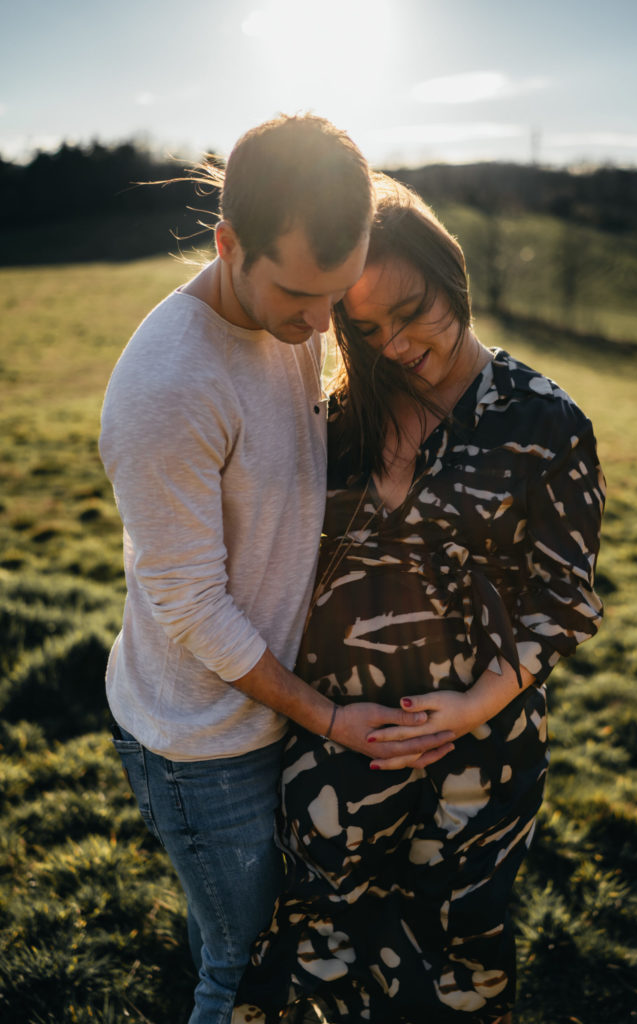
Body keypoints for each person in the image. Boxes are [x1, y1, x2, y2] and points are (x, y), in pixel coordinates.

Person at [99, 119, 450, 1024]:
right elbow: (191, 606)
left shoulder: (299, 311)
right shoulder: (168, 387)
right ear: (226, 243)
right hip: (202, 738)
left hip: (277, 701)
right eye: (298, 295)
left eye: (335, 295)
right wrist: (329, 718)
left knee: (254, 930)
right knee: (243, 965)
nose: (318, 325)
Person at [233, 174, 606, 1024]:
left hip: (481, 748)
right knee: (323, 958)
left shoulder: (546, 422)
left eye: (410, 312)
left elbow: (564, 599)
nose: (395, 343)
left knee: (457, 961)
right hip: (333, 744)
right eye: (366, 328)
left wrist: (470, 706)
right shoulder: (334, 414)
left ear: (453, 278)